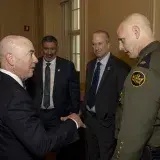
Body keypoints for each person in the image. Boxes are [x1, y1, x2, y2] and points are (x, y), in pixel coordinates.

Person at [0, 35, 84, 160]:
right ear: (11, 59)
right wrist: (73, 122)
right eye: (30, 54)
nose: (35, 59)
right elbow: (41, 144)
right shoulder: (16, 98)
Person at [112, 13, 160, 160]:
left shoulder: (144, 70)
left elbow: (135, 130)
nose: (120, 47)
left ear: (136, 32)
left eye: (122, 40)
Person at [26, 35, 80, 160]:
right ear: (41, 48)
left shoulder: (67, 66)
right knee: (36, 148)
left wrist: (74, 112)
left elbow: (74, 92)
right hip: (37, 115)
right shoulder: (34, 65)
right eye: (46, 49)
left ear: (57, 48)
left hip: (58, 115)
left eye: (52, 49)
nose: (49, 52)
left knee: (61, 149)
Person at [83, 30, 130, 160]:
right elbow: (88, 91)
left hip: (107, 125)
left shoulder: (120, 68)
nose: (96, 48)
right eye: (94, 44)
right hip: (89, 121)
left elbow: (124, 101)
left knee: (106, 156)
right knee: (91, 155)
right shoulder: (90, 65)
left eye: (100, 43)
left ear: (108, 44)